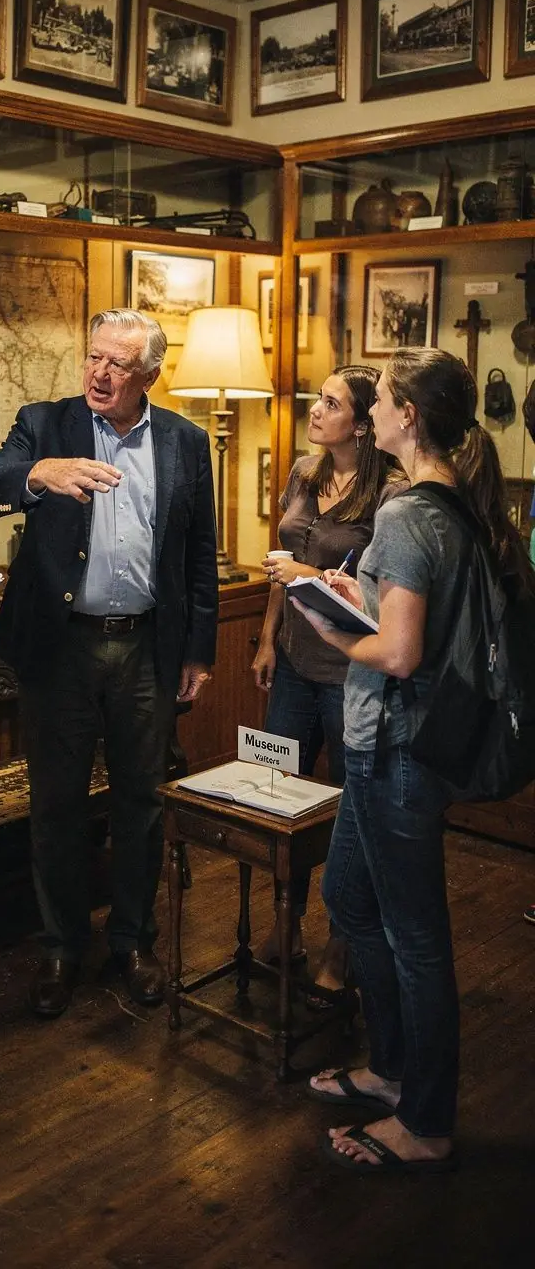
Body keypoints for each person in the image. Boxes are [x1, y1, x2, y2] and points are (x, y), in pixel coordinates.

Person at [298, 348, 535, 1173]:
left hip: (396, 749)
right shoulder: (450, 504)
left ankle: (425, 1120)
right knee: (348, 898)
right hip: (392, 747)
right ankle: (394, 1068)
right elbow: (416, 623)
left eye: (386, 401)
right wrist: (356, 594)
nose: (375, 414)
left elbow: (398, 654)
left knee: (415, 937)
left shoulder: (406, 513)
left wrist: (329, 624)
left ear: (406, 417)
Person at [0, 309, 218, 1017]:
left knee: (142, 801)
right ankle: (59, 946)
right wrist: (37, 475)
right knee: (56, 804)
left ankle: (132, 941)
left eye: (118, 364)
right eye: (93, 358)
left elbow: (199, 550)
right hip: (62, 648)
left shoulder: (185, 441)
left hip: (145, 647)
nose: (100, 373)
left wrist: (199, 648)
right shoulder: (44, 424)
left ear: (149, 376)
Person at [251, 366, 398, 1006]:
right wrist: (264, 639)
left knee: (346, 810)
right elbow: (280, 572)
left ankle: (343, 941)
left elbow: (383, 591)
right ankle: (287, 923)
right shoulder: (303, 474)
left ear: (362, 425)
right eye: (319, 398)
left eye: (331, 403)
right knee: (279, 797)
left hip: (349, 673)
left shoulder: (390, 492)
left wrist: (310, 569)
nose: (315, 410)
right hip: (293, 662)